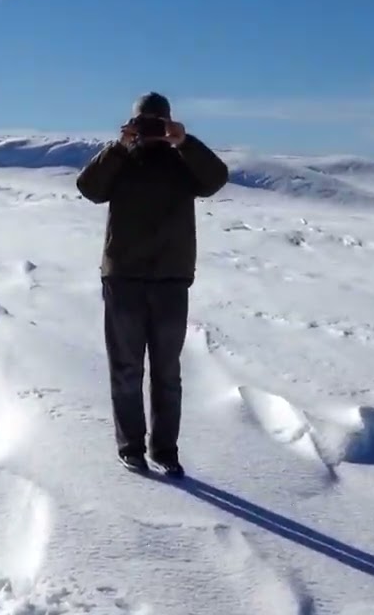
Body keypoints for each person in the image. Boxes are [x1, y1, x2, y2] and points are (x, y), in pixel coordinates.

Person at [75, 92, 231, 477]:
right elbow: (89, 188)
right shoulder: (121, 161)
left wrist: (185, 142)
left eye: (157, 123)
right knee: (126, 368)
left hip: (170, 280)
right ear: (132, 124)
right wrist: (119, 147)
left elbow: (216, 179)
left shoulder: (183, 164)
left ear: (169, 123)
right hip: (124, 277)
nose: (150, 130)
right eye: (144, 123)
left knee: (167, 371)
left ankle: (165, 450)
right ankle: (130, 446)